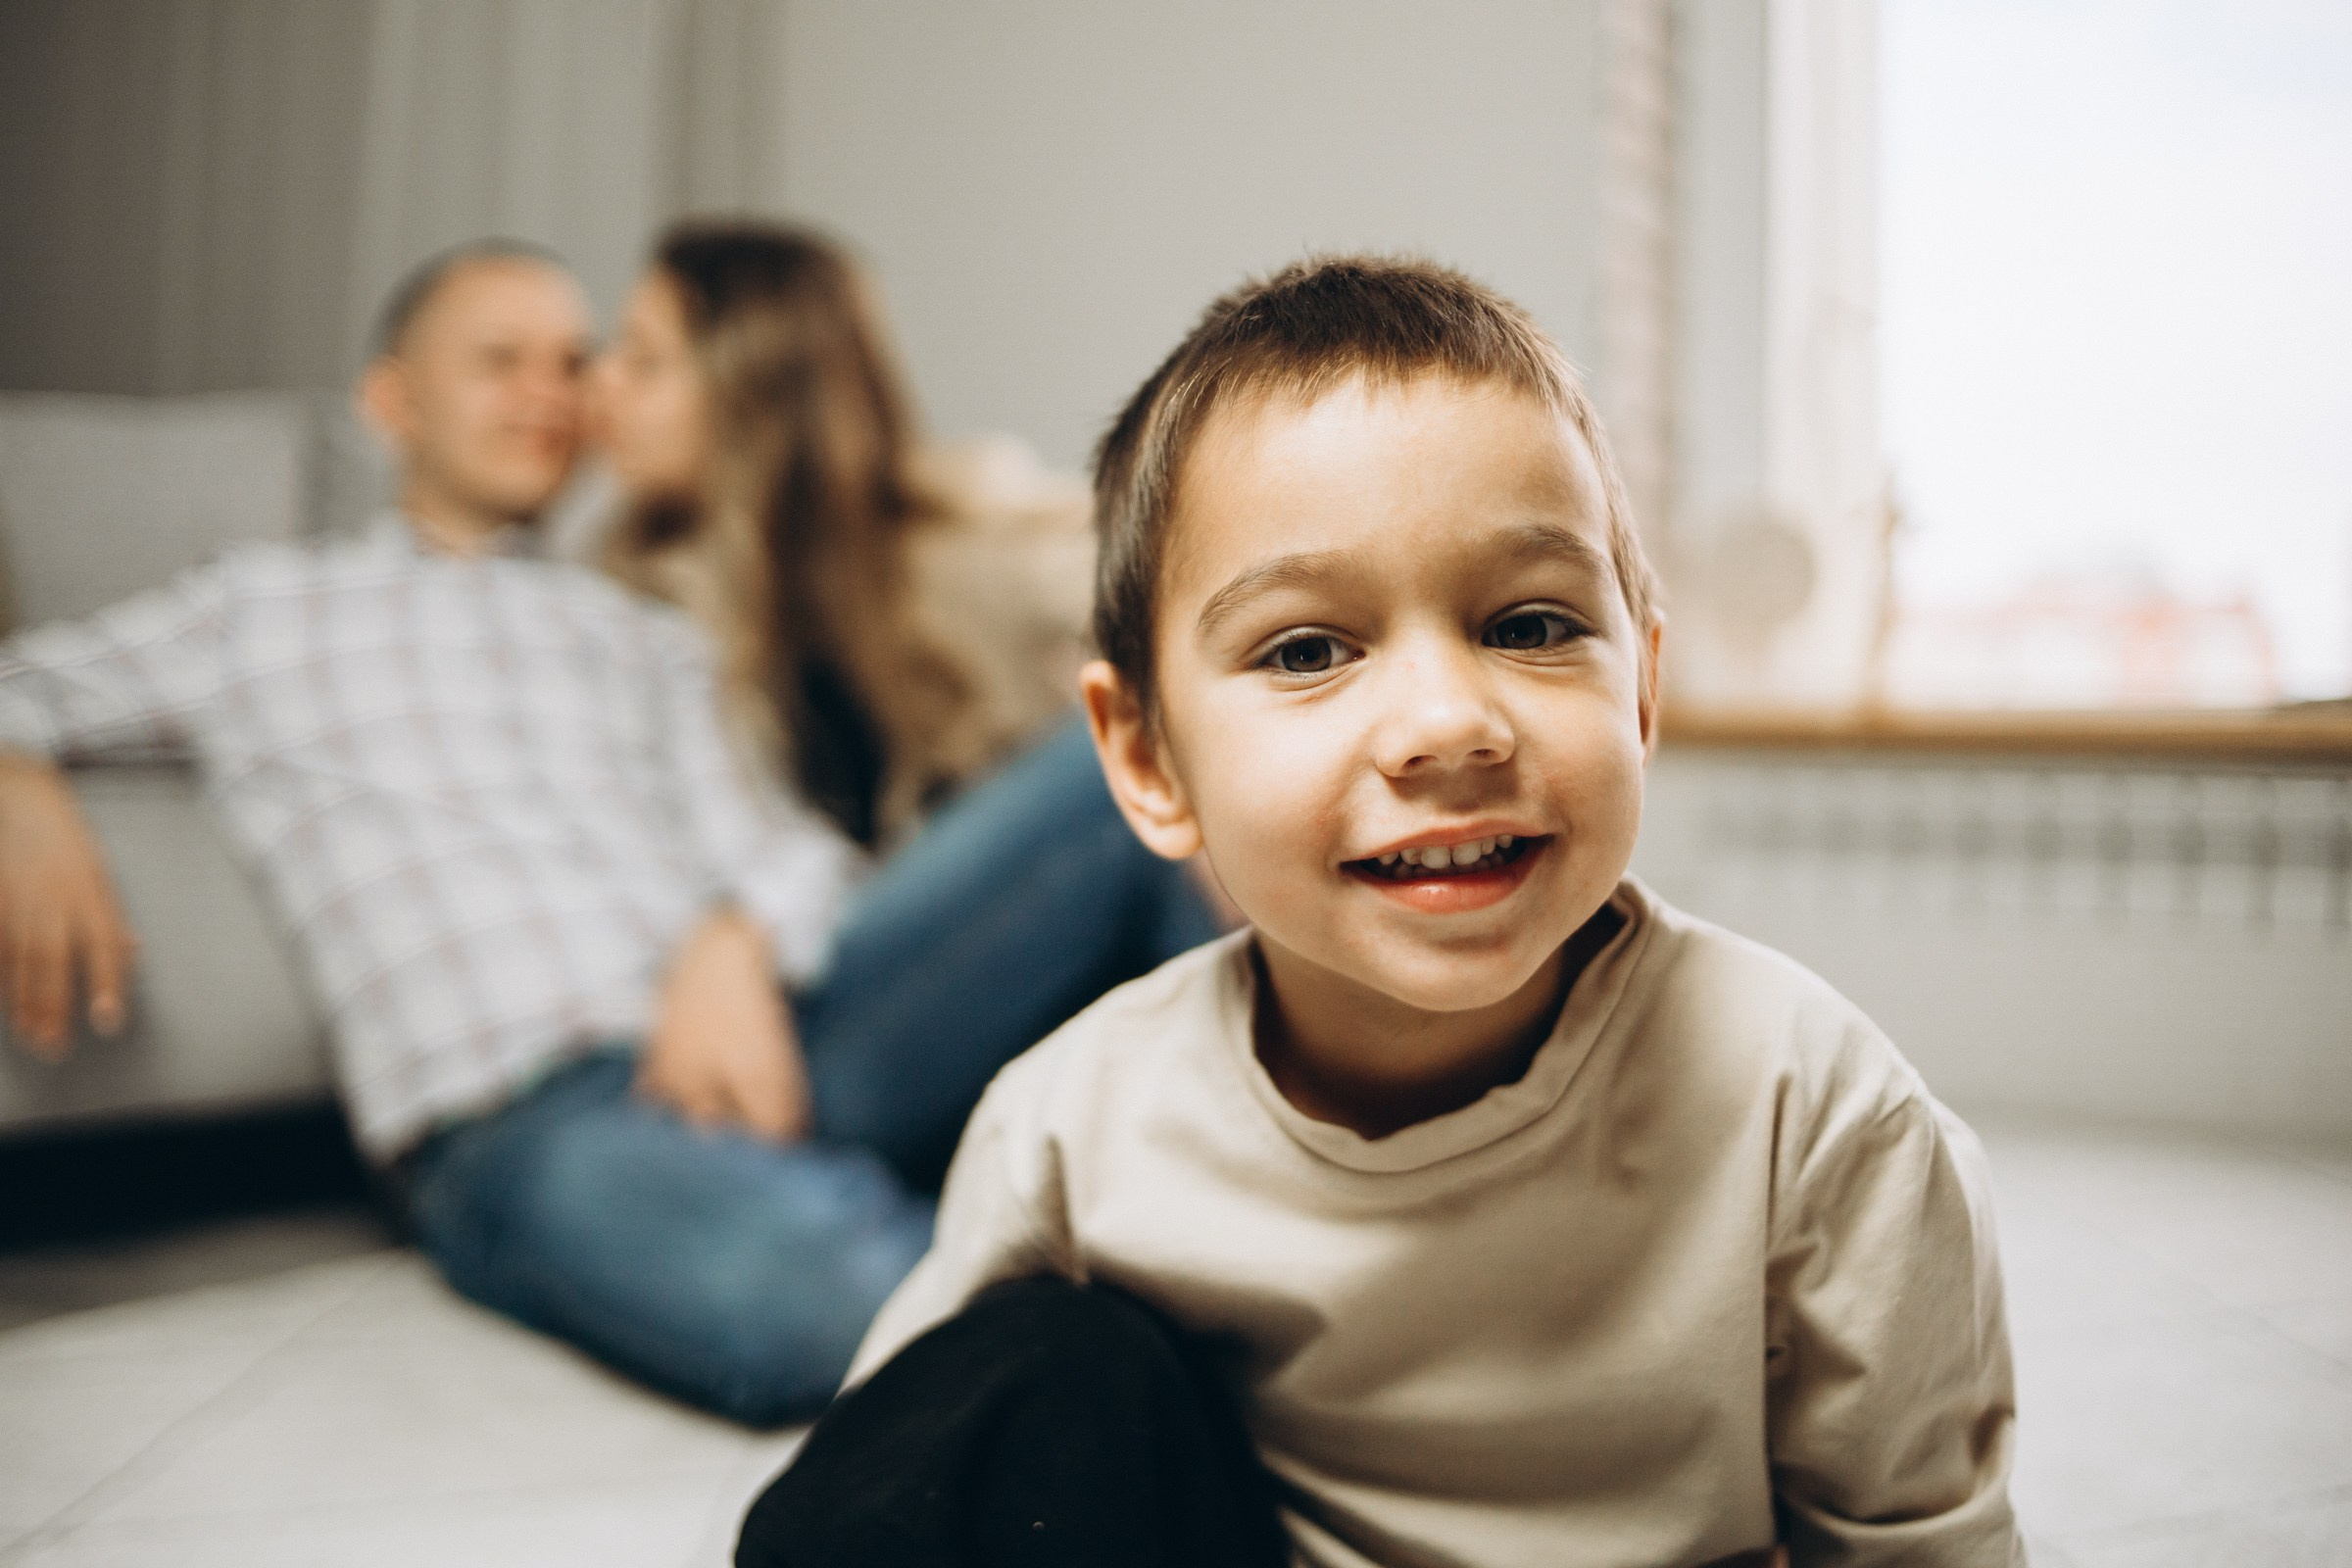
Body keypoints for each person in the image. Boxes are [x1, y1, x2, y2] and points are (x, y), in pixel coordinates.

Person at [741, 258, 2023, 1567]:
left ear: (1641, 690)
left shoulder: (1809, 1105)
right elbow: (901, 1481)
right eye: (1307, 650)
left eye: (1530, 625)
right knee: (1031, 1377)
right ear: (1146, 761)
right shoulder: (1074, 1120)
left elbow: (1921, 1539)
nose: (1448, 723)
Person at [0, 239, 1213, 1425]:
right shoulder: (262, 609)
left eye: (572, 360)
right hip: (528, 1114)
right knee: (838, 1299)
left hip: (781, 1036)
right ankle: (1127, 1306)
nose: (552, 391)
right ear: (390, 402)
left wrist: (732, 939)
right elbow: (25, 686)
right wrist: (24, 790)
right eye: (499, 359)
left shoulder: (642, 629)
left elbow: (787, 847)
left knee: (1110, 767)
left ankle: (1237, 1201)